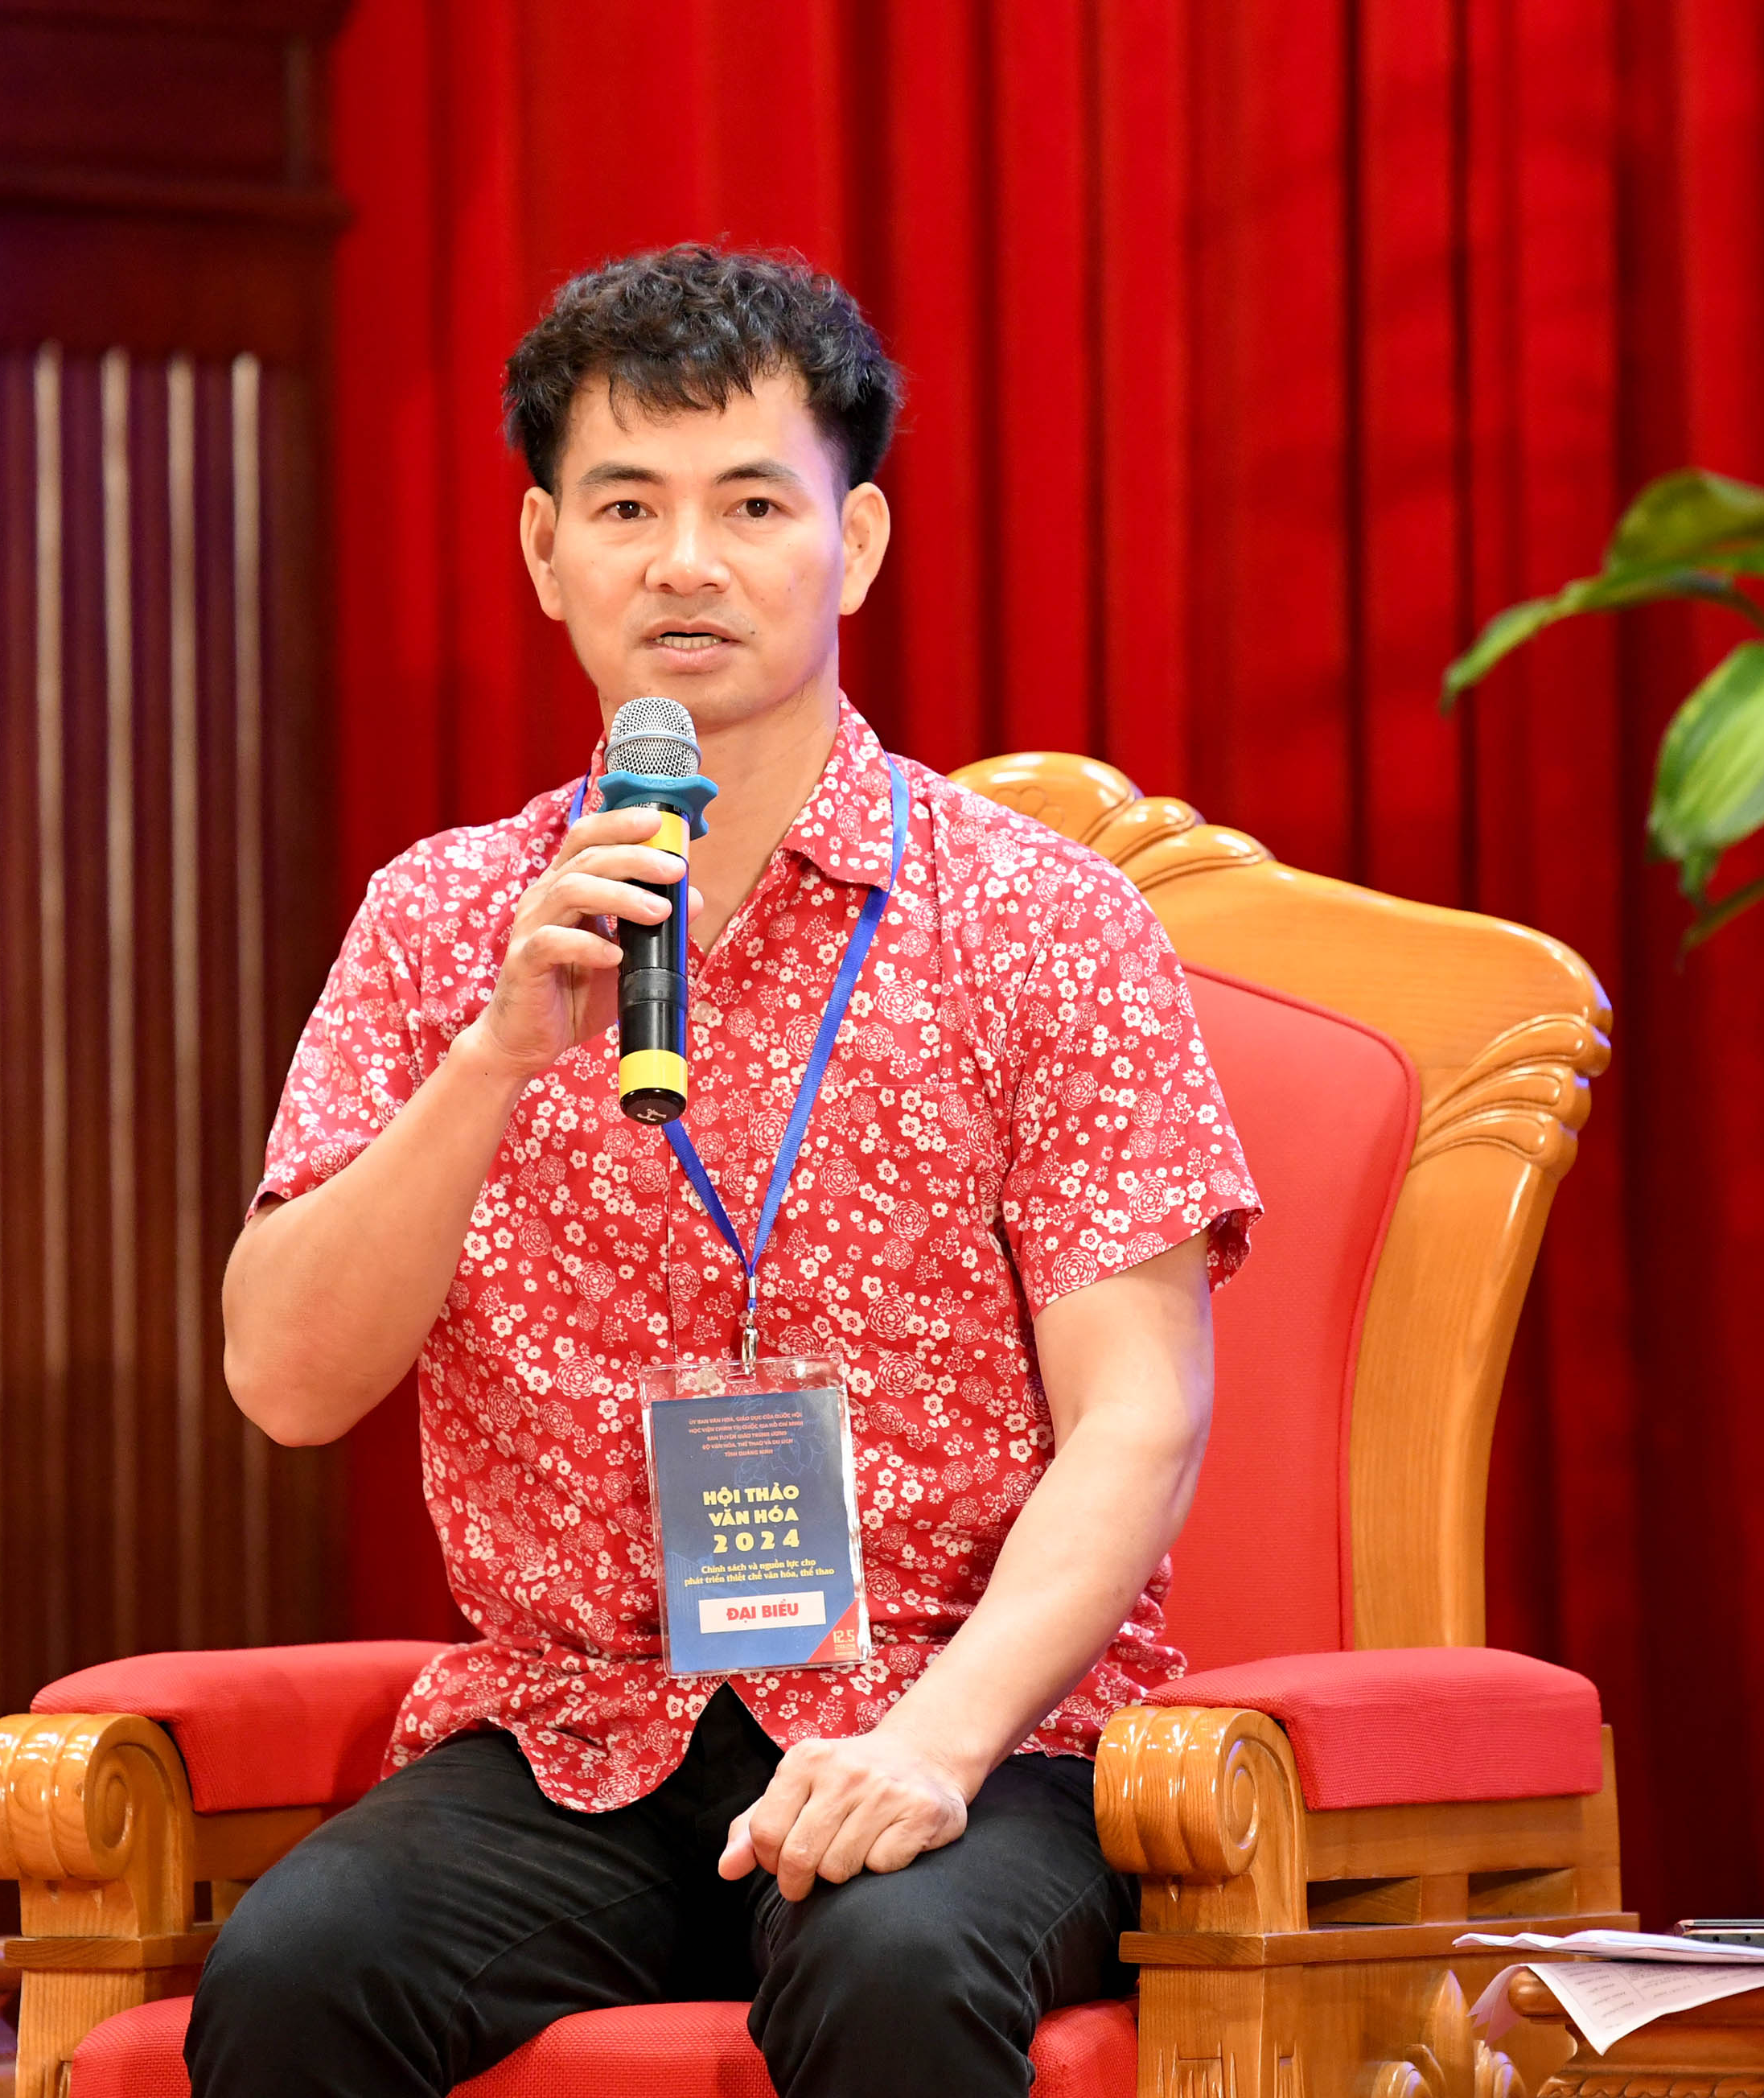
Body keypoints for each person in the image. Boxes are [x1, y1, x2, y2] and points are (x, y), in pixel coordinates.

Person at [191, 244, 1260, 2098]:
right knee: (294, 1967)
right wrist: (495, 1052)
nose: (685, 561)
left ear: (853, 544)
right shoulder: (443, 919)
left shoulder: (1039, 920)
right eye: (627, 506)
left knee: (895, 1963)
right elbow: (285, 1379)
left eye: (752, 504)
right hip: (575, 1735)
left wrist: (935, 1741)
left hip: (967, 1724)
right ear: (546, 550)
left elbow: (1138, 1413)